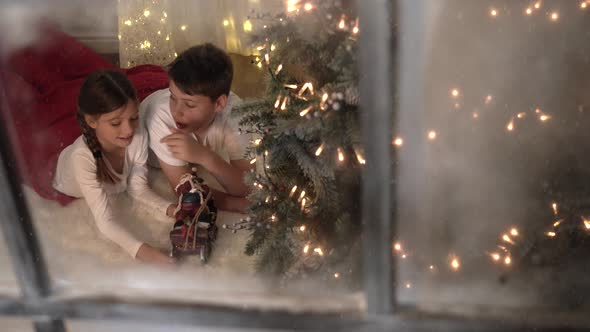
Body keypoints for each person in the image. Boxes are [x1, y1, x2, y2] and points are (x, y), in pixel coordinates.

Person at [52, 70, 176, 264]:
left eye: (134, 118)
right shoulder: (82, 158)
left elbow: (138, 188)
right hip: (66, 169)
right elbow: (105, 221)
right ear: (91, 121)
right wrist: (145, 252)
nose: (128, 130)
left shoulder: (137, 135)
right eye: (116, 122)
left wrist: (171, 209)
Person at [142, 43, 252, 212]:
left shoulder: (236, 113)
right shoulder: (160, 117)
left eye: (189, 105)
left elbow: (247, 186)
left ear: (219, 103)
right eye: (173, 97)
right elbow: (185, 193)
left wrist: (205, 156)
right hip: (146, 107)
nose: (177, 112)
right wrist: (236, 204)